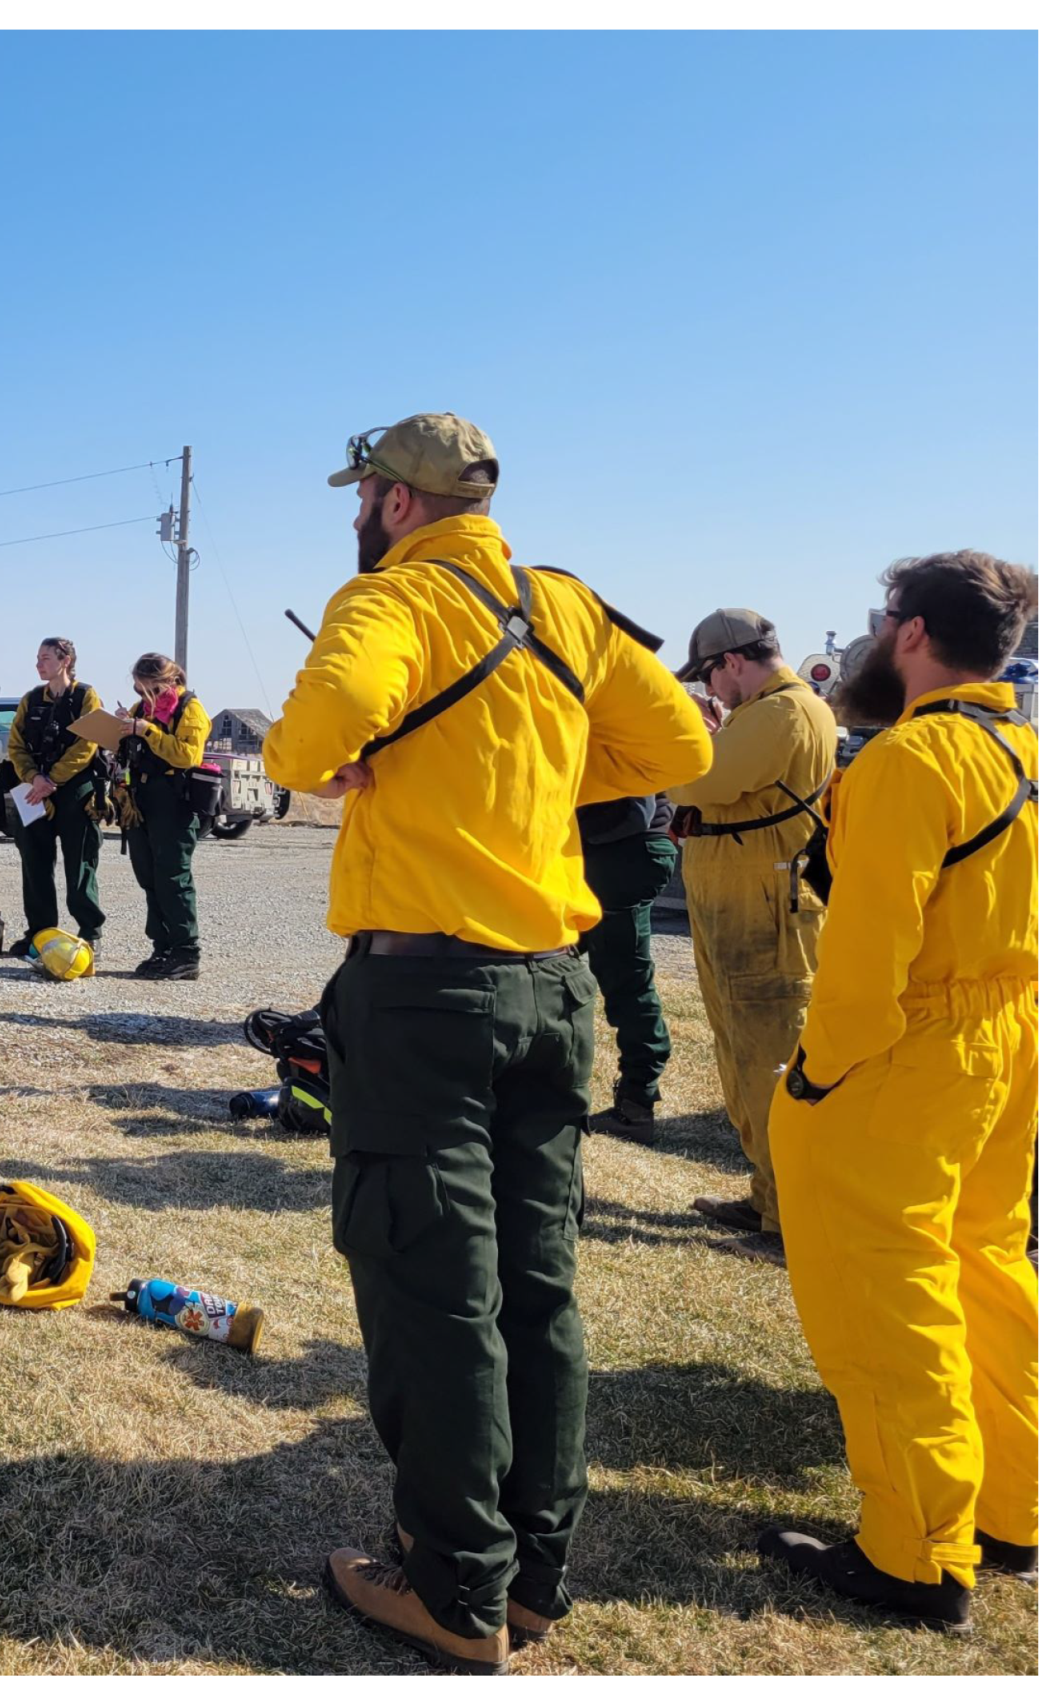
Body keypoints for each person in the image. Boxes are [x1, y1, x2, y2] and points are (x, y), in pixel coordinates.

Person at [262, 413, 709, 1673]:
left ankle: (455, 1587)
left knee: (434, 1287)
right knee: (537, 1286)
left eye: (361, 496)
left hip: (423, 998)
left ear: (395, 504)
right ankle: (532, 1578)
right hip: (550, 989)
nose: (356, 515)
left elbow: (302, 745)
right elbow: (682, 745)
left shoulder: (388, 599)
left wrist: (364, 763)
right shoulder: (563, 605)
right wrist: (521, 771)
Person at [759, 552, 1039, 1629]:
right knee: (983, 1266)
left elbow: (865, 964)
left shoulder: (906, 761)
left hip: (912, 1052)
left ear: (911, 632)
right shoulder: (1019, 749)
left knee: (887, 1291)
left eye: (884, 620)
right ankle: (1012, 1507)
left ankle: (915, 1553)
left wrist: (817, 1077)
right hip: (1007, 1040)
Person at [666, 608, 837, 1260]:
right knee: (740, 1055)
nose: (710, 689)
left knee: (769, 1060)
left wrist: (686, 745)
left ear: (731, 660)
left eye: (710, 674)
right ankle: (766, 1196)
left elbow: (696, 779)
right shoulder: (760, 713)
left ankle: (790, 1223)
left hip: (762, 909)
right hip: (739, 903)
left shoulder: (781, 713)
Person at [576, 794, 679, 1135]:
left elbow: (635, 811)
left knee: (625, 979)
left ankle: (637, 1102)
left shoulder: (613, 739)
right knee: (564, 971)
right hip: (621, 853)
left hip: (622, 855)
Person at [7, 636, 107, 953]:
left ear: (65, 661)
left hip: (75, 789)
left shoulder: (86, 696)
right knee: (34, 863)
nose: (39, 664)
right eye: (37, 658)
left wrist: (53, 779)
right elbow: (16, 745)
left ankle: (90, 933)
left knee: (80, 862)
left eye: (46, 658)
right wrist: (35, 778)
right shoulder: (31, 699)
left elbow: (87, 745)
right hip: (35, 790)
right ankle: (40, 932)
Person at [117, 653, 212, 980]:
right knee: (149, 875)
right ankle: (162, 947)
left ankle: (186, 952)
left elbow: (187, 755)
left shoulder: (190, 710)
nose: (144, 698)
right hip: (141, 798)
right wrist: (121, 728)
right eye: (138, 690)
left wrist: (147, 732)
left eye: (151, 690)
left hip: (174, 801)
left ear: (170, 682)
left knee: (173, 876)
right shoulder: (140, 711)